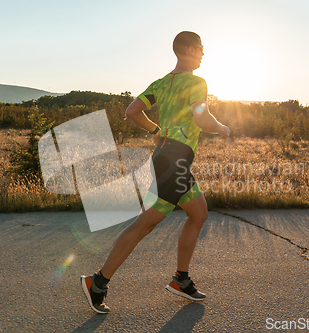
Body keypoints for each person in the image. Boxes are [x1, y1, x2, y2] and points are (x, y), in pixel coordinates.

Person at [81, 31, 230, 314]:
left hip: (168, 157)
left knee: (198, 213)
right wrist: (221, 128)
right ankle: (97, 282)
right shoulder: (197, 82)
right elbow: (202, 117)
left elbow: (132, 110)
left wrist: (156, 130)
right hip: (174, 161)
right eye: (200, 48)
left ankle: (181, 280)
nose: (202, 53)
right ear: (187, 49)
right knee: (144, 224)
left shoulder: (161, 84)